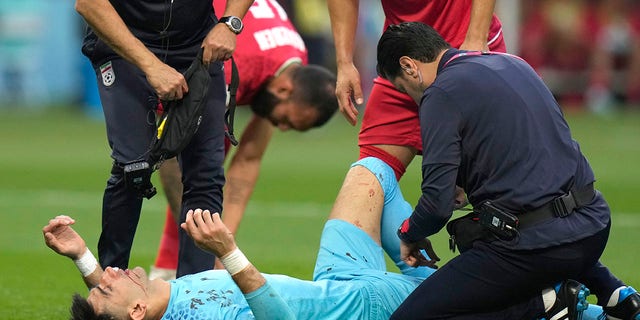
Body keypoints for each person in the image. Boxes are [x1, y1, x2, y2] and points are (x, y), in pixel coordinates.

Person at [44, 157, 604, 320]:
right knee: (522, 298)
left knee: (372, 174)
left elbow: (110, 306)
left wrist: (84, 257)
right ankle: (561, 301)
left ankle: (424, 257)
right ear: (136, 311)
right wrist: (228, 252)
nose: (109, 274)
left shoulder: (153, 302)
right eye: (106, 286)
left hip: (340, 279)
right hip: (369, 309)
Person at [376, 21, 640, 320]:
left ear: (409, 66)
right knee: (505, 222)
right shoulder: (514, 63)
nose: (412, 98)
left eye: (403, 89)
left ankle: (550, 304)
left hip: (536, 249)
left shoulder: (441, 93)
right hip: (593, 227)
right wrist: (464, 180)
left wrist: (410, 233)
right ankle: (615, 294)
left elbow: (436, 206)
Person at [149, 0, 339, 280]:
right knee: (197, 165)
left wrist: (223, 245)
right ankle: (151, 271)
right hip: (174, 33)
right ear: (285, 89)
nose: (281, 128)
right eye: (284, 120)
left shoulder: (293, 63)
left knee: (211, 161)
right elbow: (169, 146)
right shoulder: (235, 66)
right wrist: (202, 237)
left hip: (228, 43)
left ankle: (172, 268)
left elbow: (248, 159)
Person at [75, 0, 254, 278]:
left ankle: (195, 295)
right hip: (123, 43)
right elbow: (89, 4)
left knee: (205, 174)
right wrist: (151, 65)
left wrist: (230, 22)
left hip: (195, 45)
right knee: (133, 167)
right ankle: (111, 286)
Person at [327, 0, 506, 183]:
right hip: (402, 68)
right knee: (366, 181)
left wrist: (476, 37)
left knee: (492, 189)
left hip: (465, 53)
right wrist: (344, 62)